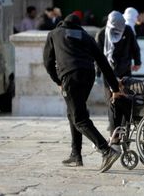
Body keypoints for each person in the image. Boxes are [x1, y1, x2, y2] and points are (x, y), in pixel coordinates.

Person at [43, 13, 122, 173]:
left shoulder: (54, 34)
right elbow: (103, 62)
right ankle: (76, 154)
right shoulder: (86, 36)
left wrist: (58, 80)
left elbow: (48, 61)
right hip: (87, 76)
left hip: (70, 76)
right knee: (73, 112)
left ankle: (106, 150)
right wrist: (115, 88)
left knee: (79, 118)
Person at [95, 10, 141, 136]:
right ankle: (113, 129)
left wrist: (137, 62)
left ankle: (125, 127)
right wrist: (98, 73)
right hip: (108, 72)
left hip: (124, 70)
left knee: (125, 98)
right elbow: (97, 56)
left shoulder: (127, 31)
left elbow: (134, 47)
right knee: (111, 101)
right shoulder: (102, 34)